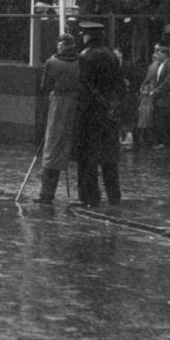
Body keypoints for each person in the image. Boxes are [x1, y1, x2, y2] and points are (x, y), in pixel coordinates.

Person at [72, 21, 126, 207]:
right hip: (109, 114)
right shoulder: (112, 56)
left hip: (91, 115)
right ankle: (114, 197)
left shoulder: (85, 57)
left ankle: (89, 197)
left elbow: (86, 88)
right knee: (110, 159)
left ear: (87, 36)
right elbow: (119, 85)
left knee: (88, 159)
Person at [34, 33, 81, 205]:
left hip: (58, 105)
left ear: (60, 45)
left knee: (52, 148)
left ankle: (46, 193)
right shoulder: (80, 61)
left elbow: (44, 86)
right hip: (76, 106)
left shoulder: (52, 62)